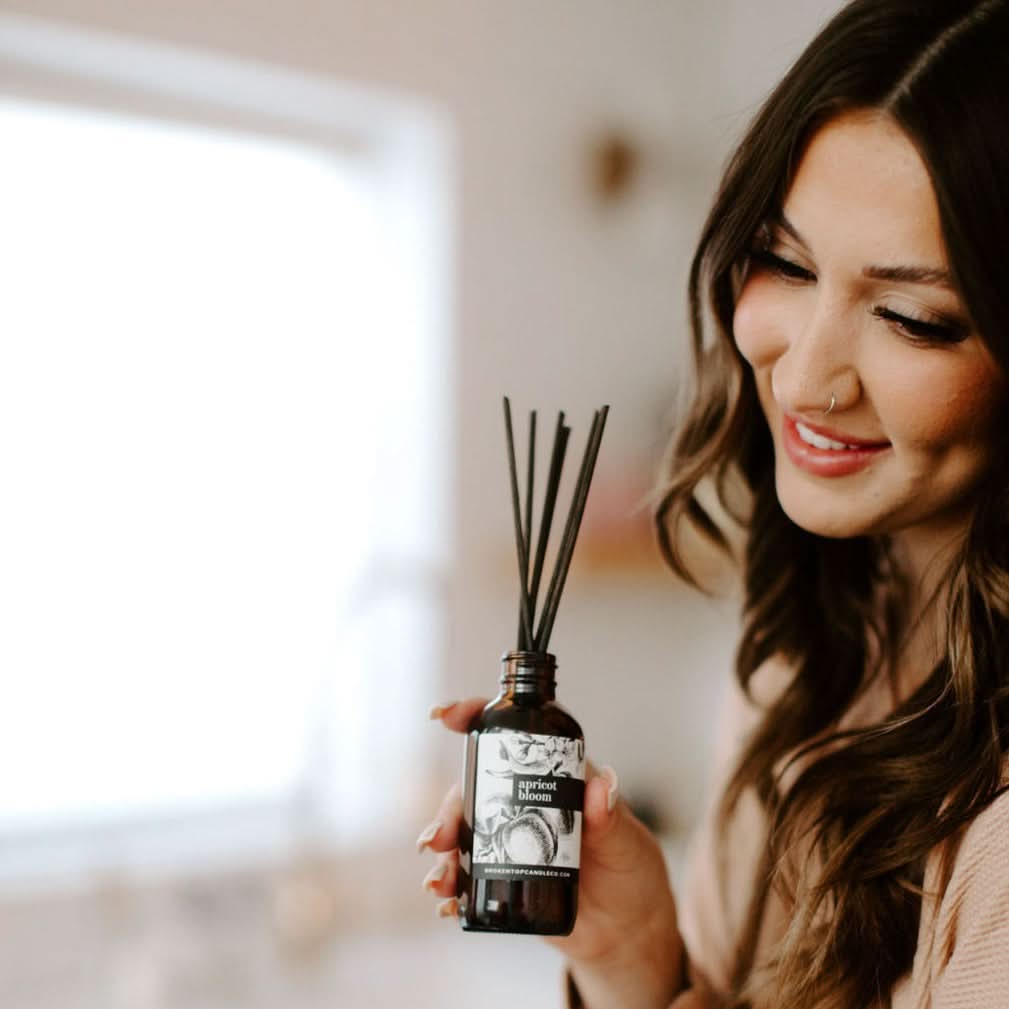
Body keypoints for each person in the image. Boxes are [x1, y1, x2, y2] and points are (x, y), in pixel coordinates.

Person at [419, 1, 1009, 1005]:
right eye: (784, 262)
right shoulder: (799, 655)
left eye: (911, 317)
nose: (807, 376)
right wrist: (634, 952)